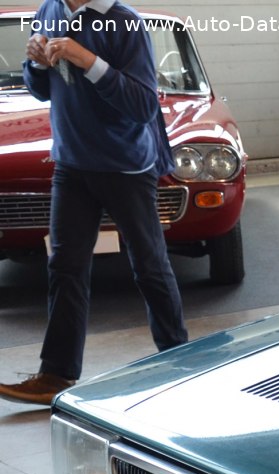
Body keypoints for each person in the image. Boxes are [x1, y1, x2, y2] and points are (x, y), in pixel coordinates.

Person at [0, 0, 187, 407]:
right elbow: (43, 91)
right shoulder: (48, 10)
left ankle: (180, 364)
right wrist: (35, 65)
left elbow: (143, 105)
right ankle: (56, 374)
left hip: (125, 166)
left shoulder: (124, 23)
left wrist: (87, 59)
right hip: (71, 163)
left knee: (149, 266)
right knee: (65, 267)